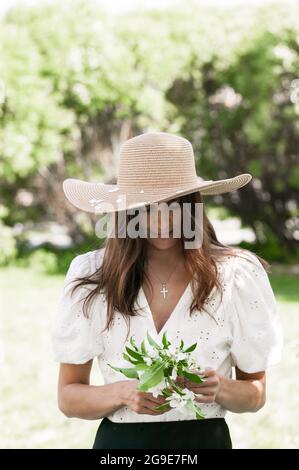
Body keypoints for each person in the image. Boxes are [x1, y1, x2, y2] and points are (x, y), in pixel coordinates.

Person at [52, 132, 283, 449]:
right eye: (145, 206)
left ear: (193, 203)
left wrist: (219, 388)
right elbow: (68, 397)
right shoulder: (93, 274)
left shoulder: (236, 275)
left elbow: (255, 395)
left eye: (175, 203)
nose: (161, 219)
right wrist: (121, 392)